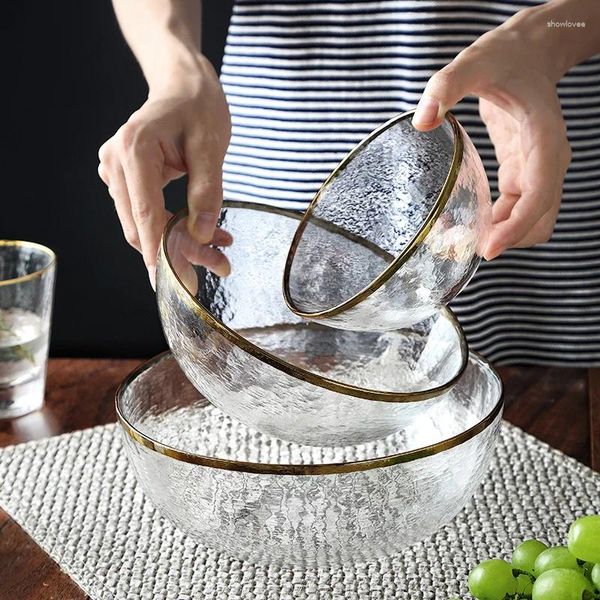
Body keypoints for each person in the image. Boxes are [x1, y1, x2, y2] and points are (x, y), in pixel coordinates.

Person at [98, 0, 600, 365]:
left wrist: (555, 33)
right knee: (287, 398)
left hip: (518, 152)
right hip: (280, 166)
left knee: (550, 406)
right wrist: (177, 68)